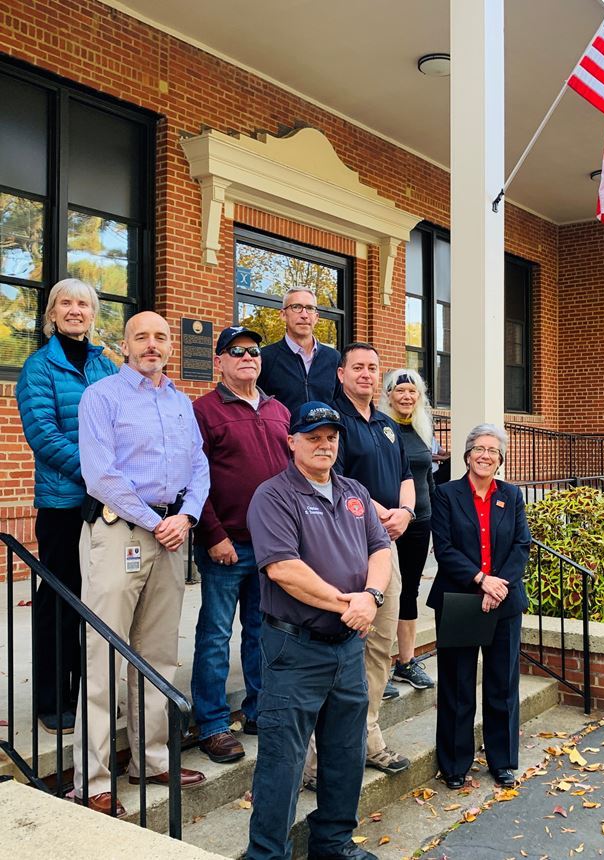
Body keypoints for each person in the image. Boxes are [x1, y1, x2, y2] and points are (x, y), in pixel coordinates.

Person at [74, 311, 210, 817]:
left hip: (174, 537)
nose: (152, 345)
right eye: (141, 337)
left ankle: (151, 759)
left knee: (157, 654)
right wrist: (156, 522)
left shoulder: (180, 403)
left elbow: (199, 465)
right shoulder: (102, 397)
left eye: (160, 337)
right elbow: (100, 474)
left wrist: (188, 516)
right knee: (104, 654)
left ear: (170, 346)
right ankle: (92, 777)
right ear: (124, 345)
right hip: (120, 533)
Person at [245, 401, 391, 860]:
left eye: (331, 437)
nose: (324, 444)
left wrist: (372, 596)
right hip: (295, 648)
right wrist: (349, 603)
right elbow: (283, 569)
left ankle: (333, 842)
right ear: (291, 442)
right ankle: (268, 854)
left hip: (348, 648)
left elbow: (380, 548)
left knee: (345, 753)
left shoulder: (354, 491)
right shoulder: (273, 495)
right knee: (282, 761)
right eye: (313, 437)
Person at [16, 278, 117, 735]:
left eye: (83, 304)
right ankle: (54, 698)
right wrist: (99, 472)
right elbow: (44, 436)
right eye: (65, 303)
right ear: (52, 314)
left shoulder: (106, 367)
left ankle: (91, 693)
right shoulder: (39, 368)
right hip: (63, 504)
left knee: (100, 597)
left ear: (93, 314)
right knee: (60, 598)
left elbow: (124, 423)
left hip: (107, 504)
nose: (75, 310)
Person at [191, 325, 290, 764]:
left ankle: (258, 710)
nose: (247, 357)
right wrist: (213, 534)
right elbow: (193, 478)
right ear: (220, 361)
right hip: (227, 545)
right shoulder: (203, 411)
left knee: (262, 632)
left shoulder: (278, 411)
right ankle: (212, 724)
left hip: (271, 546)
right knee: (215, 635)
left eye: (253, 351)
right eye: (236, 351)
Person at [429, 424, 531, 790]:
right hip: (460, 600)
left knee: (502, 683)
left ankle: (502, 760)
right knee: (457, 684)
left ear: (500, 459)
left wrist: (498, 584)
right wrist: (480, 579)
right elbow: (444, 548)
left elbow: (521, 546)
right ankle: (455, 762)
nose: (485, 455)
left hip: (503, 601)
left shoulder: (513, 496)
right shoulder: (446, 494)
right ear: (468, 454)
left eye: (493, 450)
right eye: (479, 449)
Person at [330, 343, 414, 775]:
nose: (366, 374)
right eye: (358, 367)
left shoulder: (386, 424)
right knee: (343, 648)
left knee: (381, 642)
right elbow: (336, 479)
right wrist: (383, 516)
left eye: (373, 368)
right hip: (344, 545)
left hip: (386, 547)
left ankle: (369, 734)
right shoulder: (332, 421)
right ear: (341, 373)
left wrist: (405, 512)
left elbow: (405, 476)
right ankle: (325, 751)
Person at [378, 369, 435, 690]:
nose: (406, 396)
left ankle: (406, 662)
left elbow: (427, 479)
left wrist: (437, 520)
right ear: (388, 395)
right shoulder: (381, 429)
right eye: (400, 391)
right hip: (388, 523)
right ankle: (379, 665)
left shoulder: (422, 430)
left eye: (412, 391)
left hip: (420, 521)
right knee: (383, 592)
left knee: (410, 590)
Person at [257, 288, 340, 415]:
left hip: (324, 434)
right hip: (282, 434)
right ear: (283, 315)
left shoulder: (333, 358)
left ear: (316, 317)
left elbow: (340, 403)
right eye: (296, 307)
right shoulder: (265, 358)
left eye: (310, 308)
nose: (304, 315)